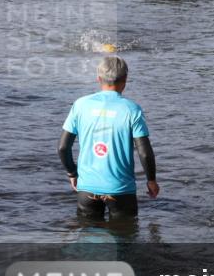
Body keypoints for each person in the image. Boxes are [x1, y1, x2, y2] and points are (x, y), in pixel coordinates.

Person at [58, 56, 158, 220]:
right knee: (125, 238)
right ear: (125, 80)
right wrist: (151, 181)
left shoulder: (80, 105)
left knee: (89, 239)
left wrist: (72, 174)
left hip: (87, 189)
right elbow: (145, 153)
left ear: (98, 79)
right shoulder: (132, 109)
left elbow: (62, 148)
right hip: (121, 190)